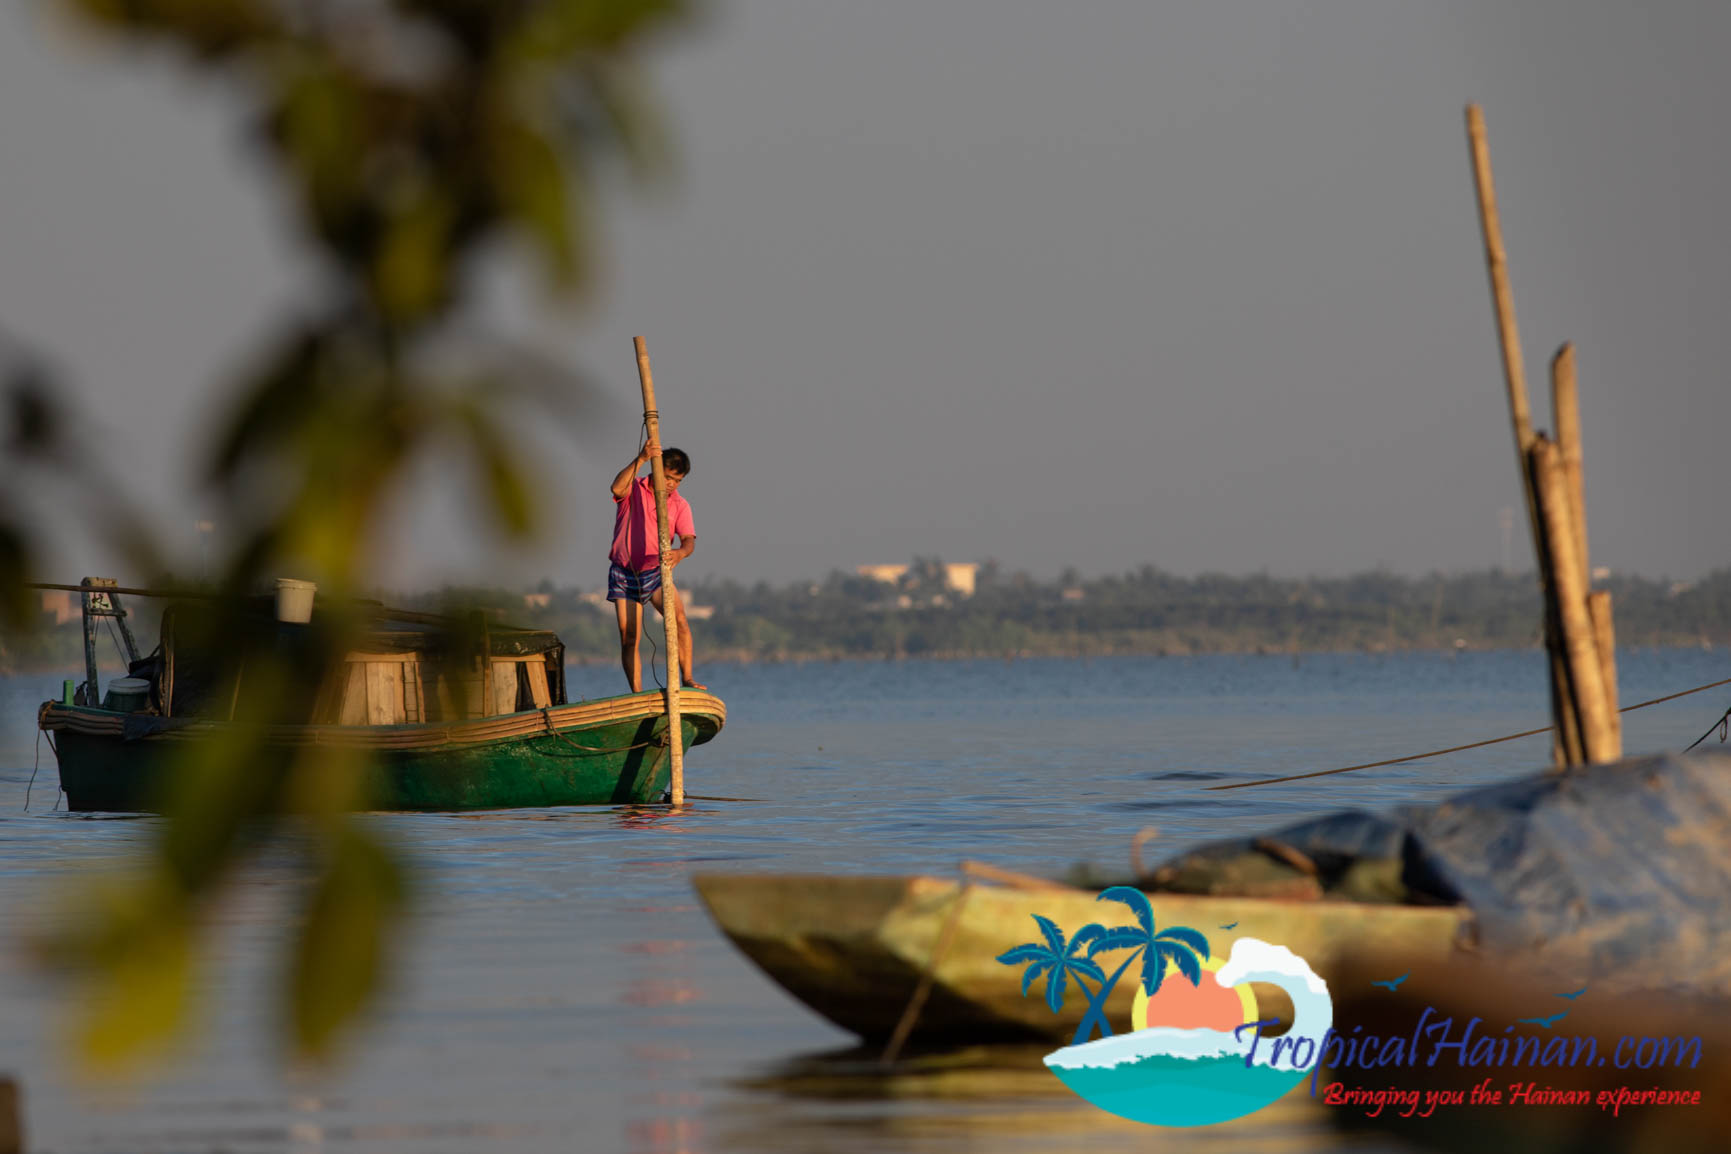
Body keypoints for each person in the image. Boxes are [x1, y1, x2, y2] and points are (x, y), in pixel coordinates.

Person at [608, 436, 704, 692]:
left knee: (680, 620)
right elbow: (616, 489)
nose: (671, 485)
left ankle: (687, 677)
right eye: (668, 478)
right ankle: (637, 693)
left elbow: (688, 541)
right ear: (657, 471)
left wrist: (680, 554)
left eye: (677, 481)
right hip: (624, 572)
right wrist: (641, 458)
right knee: (630, 638)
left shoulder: (679, 505)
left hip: (655, 573)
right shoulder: (634, 487)